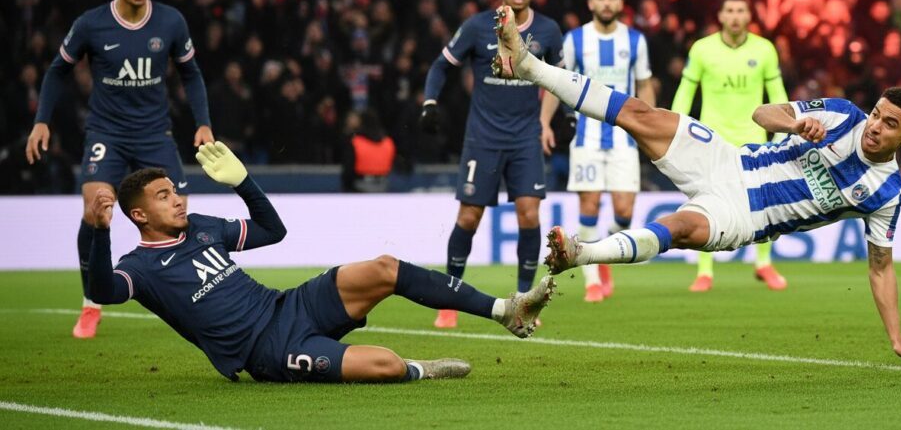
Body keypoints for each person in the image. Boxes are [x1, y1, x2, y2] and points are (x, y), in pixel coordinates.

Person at [493, 5, 901, 373]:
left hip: (746, 216)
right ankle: (528, 64)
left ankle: (581, 253)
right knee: (640, 113)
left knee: (681, 227)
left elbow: (881, 268)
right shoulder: (843, 115)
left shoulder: (887, 194)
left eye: (889, 124)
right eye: (877, 114)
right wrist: (794, 122)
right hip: (729, 160)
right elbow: (764, 114)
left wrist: (897, 337)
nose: (874, 126)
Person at [86, 141, 555, 383]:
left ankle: (504, 310)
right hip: (265, 353)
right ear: (139, 214)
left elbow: (273, 232)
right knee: (387, 367)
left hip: (289, 306)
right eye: (164, 197)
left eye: (176, 191)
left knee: (383, 267)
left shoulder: (203, 226)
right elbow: (104, 291)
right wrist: (96, 231)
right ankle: (418, 368)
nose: (178, 201)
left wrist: (244, 182)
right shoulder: (139, 267)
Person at [25, 0, 214, 338]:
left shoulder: (170, 21)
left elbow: (191, 74)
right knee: (98, 211)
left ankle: (187, 300)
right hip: (106, 133)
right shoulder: (92, 24)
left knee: (177, 215)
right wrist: (41, 121)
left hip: (154, 134)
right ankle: (92, 303)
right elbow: (58, 70)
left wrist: (203, 124)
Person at [420, 0, 562, 329]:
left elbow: (559, 80)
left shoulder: (548, 30)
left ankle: (523, 300)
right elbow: (440, 66)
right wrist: (430, 102)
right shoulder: (476, 26)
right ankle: (449, 299)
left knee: (529, 215)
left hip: (525, 138)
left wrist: (556, 120)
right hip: (482, 140)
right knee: (469, 217)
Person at [540, 0, 655, 302]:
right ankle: (592, 278)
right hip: (586, 137)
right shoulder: (575, 40)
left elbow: (644, 84)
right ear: (591, 3)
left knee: (624, 212)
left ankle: (603, 253)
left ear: (620, 3)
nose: (606, 2)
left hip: (624, 138)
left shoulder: (636, 41)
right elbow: (557, 82)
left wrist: (651, 122)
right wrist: (544, 122)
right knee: (589, 205)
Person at [670, 0, 789, 292]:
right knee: (704, 199)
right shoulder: (702, 50)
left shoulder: (764, 50)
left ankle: (763, 264)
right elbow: (686, 91)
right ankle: (705, 271)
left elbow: (777, 94)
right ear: (721, 16)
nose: (735, 16)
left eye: (741, 11)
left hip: (753, 138)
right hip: (713, 138)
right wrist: (673, 124)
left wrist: (785, 130)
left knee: (765, 201)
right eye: (730, 11)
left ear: (749, 16)